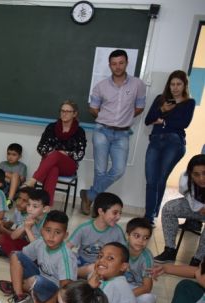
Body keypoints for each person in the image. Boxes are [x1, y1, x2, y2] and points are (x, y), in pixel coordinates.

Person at [80, 49, 146, 214]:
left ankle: (89, 195)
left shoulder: (138, 84)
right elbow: (93, 108)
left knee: (118, 170)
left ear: (127, 63)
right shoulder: (100, 86)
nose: (117, 67)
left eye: (121, 63)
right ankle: (98, 208)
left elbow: (140, 107)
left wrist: (124, 119)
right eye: (114, 64)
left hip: (122, 134)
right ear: (109, 65)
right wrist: (107, 117)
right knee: (100, 170)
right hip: (102, 130)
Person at [144, 70, 195, 223]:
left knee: (160, 179)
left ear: (184, 85)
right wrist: (162, 110)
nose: (175, 87)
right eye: (172, 84)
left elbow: (184, 123)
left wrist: (164, 121)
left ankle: (151, 217)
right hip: (155, 140)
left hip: (174, 142)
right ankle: (148, 216)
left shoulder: (189, 102)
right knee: (151, 180)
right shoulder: (161, 99)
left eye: (179, 84)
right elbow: (148, 120)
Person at [0, 210, 76, 303]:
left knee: (35, 280)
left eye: (57, 232)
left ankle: (17, 286)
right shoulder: (40, 243)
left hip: (53, 292)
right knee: (15, 255)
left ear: (65, 235)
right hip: (38, 279)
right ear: (42, 231)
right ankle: (19, 296)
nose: (51, 236)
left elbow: (66, 289)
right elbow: (22, 258)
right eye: (48, 230)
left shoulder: (66, 257)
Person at [23, 100, 86, 205]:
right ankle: (47, 205)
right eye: (62, 111)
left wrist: (65, 153)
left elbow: (80, 154)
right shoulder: (51, 127)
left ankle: (33, 180)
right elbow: (40, 147)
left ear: (74, 114)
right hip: (50, 163)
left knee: (56, 154)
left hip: (69, 165)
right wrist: (50, 153)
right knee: (53, 169)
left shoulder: (79, 131)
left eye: (68, 111)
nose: (64, 113)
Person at [155, 154, 205, 266]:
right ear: (190, 174)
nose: (201, 178)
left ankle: (198, 259)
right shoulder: (185, 179)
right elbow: (187, 194)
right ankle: (170, 251)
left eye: (204, 173)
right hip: (196, 207)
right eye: (196, 174)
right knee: (169, 208)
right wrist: (197, 207)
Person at [67, 192, 126, 278]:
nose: (118, 217)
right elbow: (67, 247)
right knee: (70, 257)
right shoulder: (84, 228)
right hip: (82, 262)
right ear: (101, 211)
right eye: (115, 213)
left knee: (98, 270)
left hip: (103, 266)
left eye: (120, 213)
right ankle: (77, 274)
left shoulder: (117, 231)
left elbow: (124, 253)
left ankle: (74, 274)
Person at [0, 189, 50, 258]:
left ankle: (16, 254)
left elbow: (38, 248)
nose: (30, 209)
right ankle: (16, 254)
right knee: (5, 238)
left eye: (35, 206)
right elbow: (13, 236)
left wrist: (28, 229)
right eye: (28, 205)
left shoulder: (48, 223)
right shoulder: (31, 216)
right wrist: (25, 226)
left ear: (45, 209)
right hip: (31, 245)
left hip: (43, 252)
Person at [124, 218, 156, 303]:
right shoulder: (121, 248)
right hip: (119, 284)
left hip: (136, 289)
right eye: (136, 236)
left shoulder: (147, 258)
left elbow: (147, 287)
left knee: (148, 301)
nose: (141, 241)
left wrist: (125, 296)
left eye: (145, 238)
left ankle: (125, 301)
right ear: (128, 235)